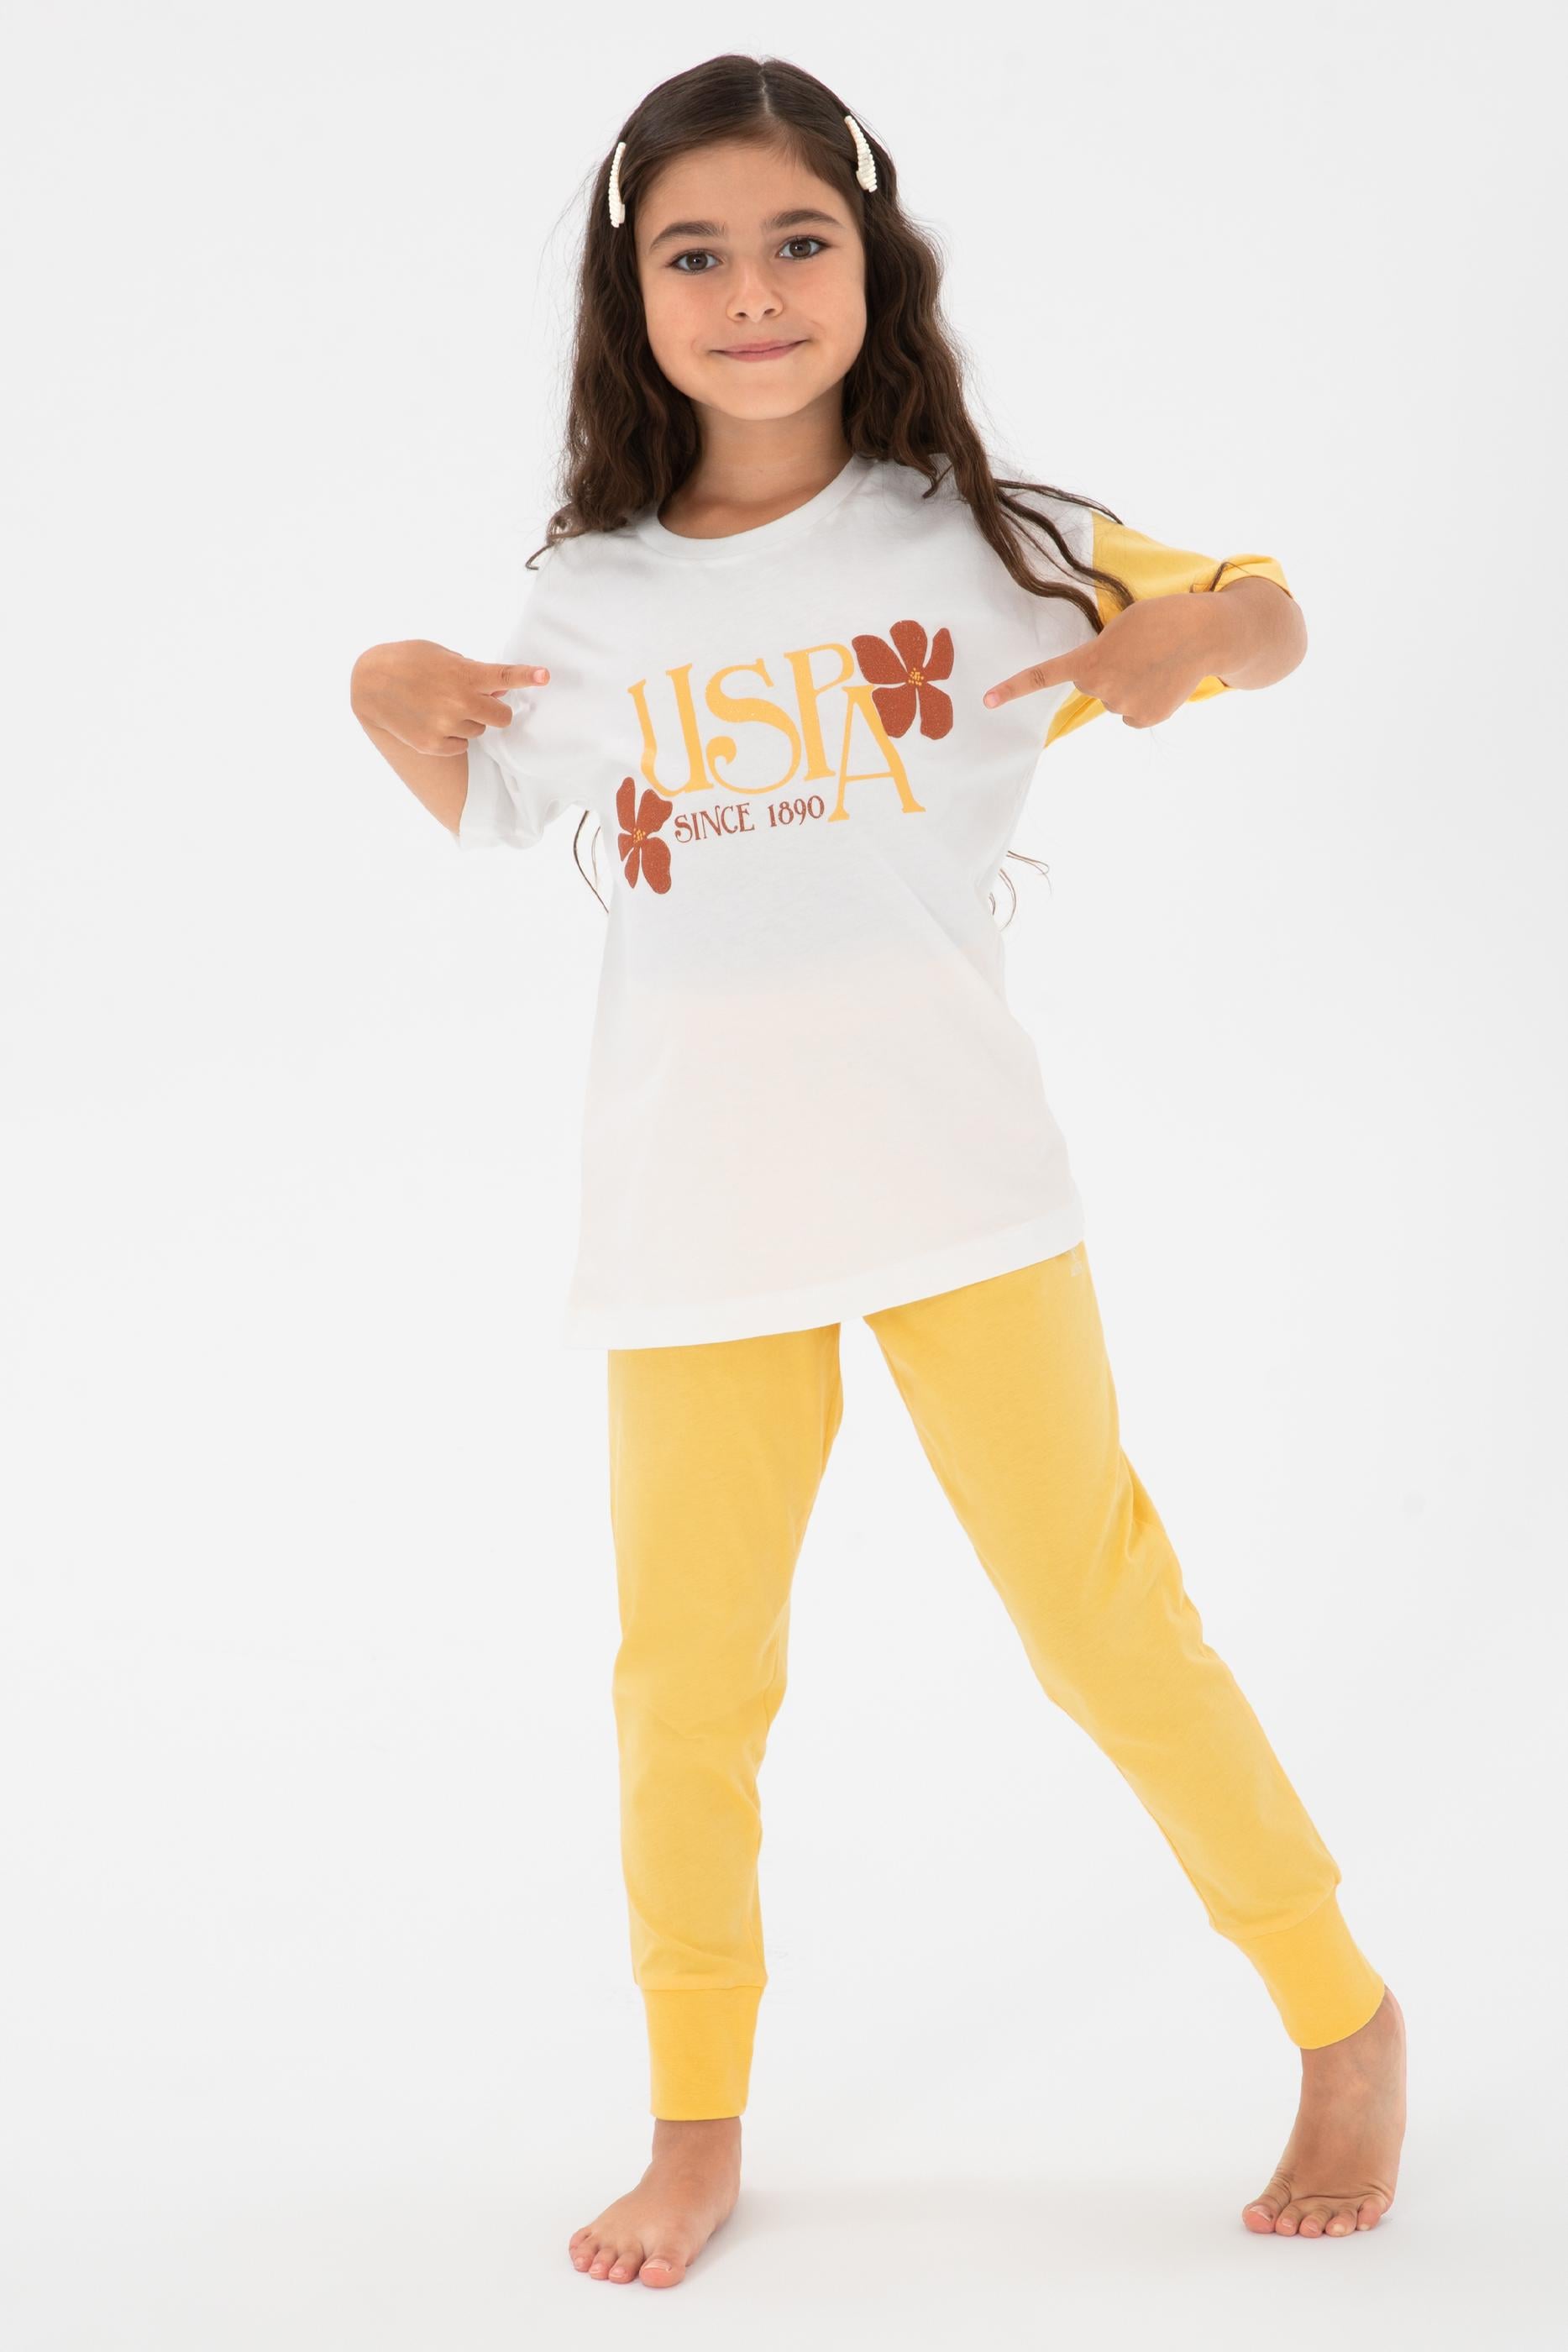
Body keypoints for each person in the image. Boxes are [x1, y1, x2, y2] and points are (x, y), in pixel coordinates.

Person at [349, 52, 1407, 2291]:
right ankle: (693, 2123)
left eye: (794, 241)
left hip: (959, 1192)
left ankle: (1340, 2014)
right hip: (694, 1218)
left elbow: (1266, 609)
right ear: (632, 298)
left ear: (872, 258)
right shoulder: (593, 595)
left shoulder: (990, 539)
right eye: (694, 256)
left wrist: (1193, 640)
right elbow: (489, 796)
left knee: (1102, 1623)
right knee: (688, 1687)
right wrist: (381, 689)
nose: (750, 292)